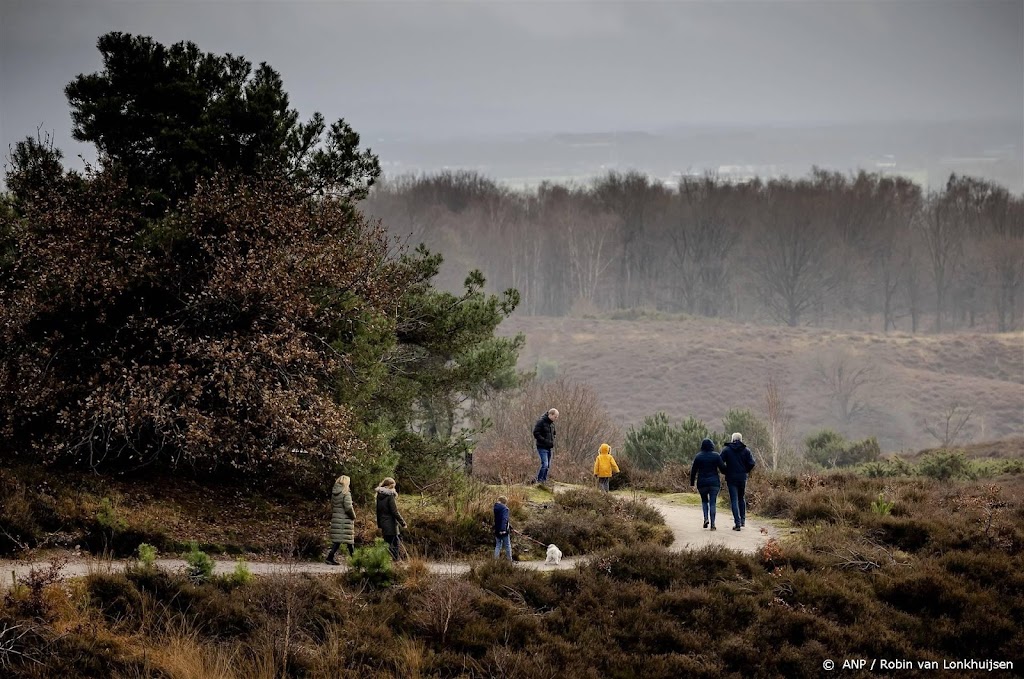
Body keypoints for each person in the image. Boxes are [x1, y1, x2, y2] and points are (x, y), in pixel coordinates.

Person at [720, 432, 756, 531]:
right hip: (742, 478)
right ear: (741, 439)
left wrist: (725, 471)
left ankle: (737, 523)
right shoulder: (746, 450)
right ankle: (743, 520)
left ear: (732, 439)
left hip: (731, 478)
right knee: (741, 498)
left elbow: (720, 461)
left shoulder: (726, 450)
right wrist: (746, 470)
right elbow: (752, 463)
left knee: (734, 500)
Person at [689, 438, 727, 530]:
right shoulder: (716, 456)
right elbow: (723, 469)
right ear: (712, 446)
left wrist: (692, 483)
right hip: (714, 483)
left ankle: (706, 518)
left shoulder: (698, 456)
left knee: (704, 501)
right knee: (713, 503)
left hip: (702, 483)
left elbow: (693, 471)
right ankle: (713, 524)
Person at [325, 474, 356, 565]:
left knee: (338, 540)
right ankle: (355, 560)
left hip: (336, 518)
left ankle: (330, 557)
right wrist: (353, 516)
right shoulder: (346, 493)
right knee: (349, 540)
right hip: (344, 519)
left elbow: (332, 505)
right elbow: (348, 507)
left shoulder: (334, 493)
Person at [375, 477, 408, 560]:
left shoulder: (379, 496)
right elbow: (395, 512)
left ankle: (387, 561)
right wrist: (402, 522)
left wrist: (379, 525)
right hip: (391, 524)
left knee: (388, 544)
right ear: (390, 486)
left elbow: (378, 512)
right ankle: (396, 561)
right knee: (395, 544)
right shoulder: (390, 496)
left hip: (383, 523)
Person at [533, 408, 559, 483]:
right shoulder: (541, 422)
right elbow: (536, 433)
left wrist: (552, 439)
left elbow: (554, 433)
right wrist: (545, 441)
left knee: (548, 466)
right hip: (542, 446)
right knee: (545, 464)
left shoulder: (552, 424)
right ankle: (539, 480)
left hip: (549, 447)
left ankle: (543, 481)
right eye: (555, 416)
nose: (556, 418)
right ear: (550, 414)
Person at [493, 495, 512, 561]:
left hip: (497, 529)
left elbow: (499, 519)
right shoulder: (505, 509)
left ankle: (495, 561)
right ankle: (509, 561)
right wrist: (503, 529)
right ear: (505, 502)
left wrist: (510, 526)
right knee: (507, 546)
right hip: (503, 530)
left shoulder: (495, 508)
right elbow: (504, 519)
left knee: (498, 546)